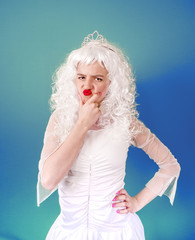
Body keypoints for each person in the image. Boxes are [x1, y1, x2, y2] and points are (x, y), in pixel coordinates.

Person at [37, 31, 181, 240]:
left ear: (111, 83)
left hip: (117, 232)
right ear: (73, 80)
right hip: (69, 233)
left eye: (97, 78)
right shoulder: (60, 120)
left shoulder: (126, 123)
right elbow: (48, 180)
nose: (87, 86)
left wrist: (138, 202)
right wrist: (82, 124)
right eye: (81, 77)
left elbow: (170, 166)